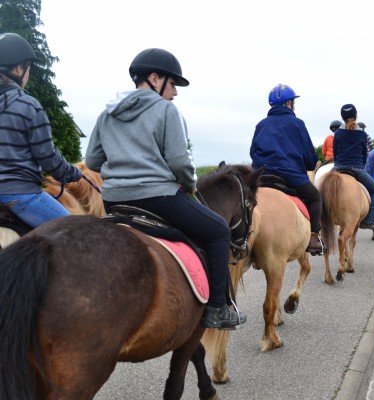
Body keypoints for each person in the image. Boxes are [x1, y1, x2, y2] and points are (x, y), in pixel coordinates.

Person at [85, 48, 245, 330]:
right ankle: (217, 308)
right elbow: (180, 162)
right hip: (159, 198)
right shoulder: (165, 110)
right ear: (154, 78)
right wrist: (191, 183)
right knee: (219, 230)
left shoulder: (106, 114)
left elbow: (93, 161)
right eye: (172, 84)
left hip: (114, 201)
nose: (175, 92)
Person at [0, 33, 82, 228]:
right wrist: (72, 173)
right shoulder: (28, 105)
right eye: (29, 68)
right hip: (20, 196)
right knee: (77, 232)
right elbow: (47, 157)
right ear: (19, 68)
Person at [250, 84, 326, 255]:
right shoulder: (298, 124)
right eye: (293, 102)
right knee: (315, 198)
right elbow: (309, 156)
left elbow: (252, 152)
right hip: (290, 175)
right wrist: (309, 164)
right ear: (288, 104)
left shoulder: (261, 125)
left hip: (261, 175)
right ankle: (314, 237)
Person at [333, 104, 374, 231]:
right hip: (357, 169)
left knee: (319, 189)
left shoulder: (337, 133)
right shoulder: (363, 135)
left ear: (342, 118)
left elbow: (335, 153)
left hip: (338, 167)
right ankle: (368, 221)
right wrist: (361, 165)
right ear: (356, 116)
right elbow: (365, 156)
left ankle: (320, 220)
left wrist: (338, 164)